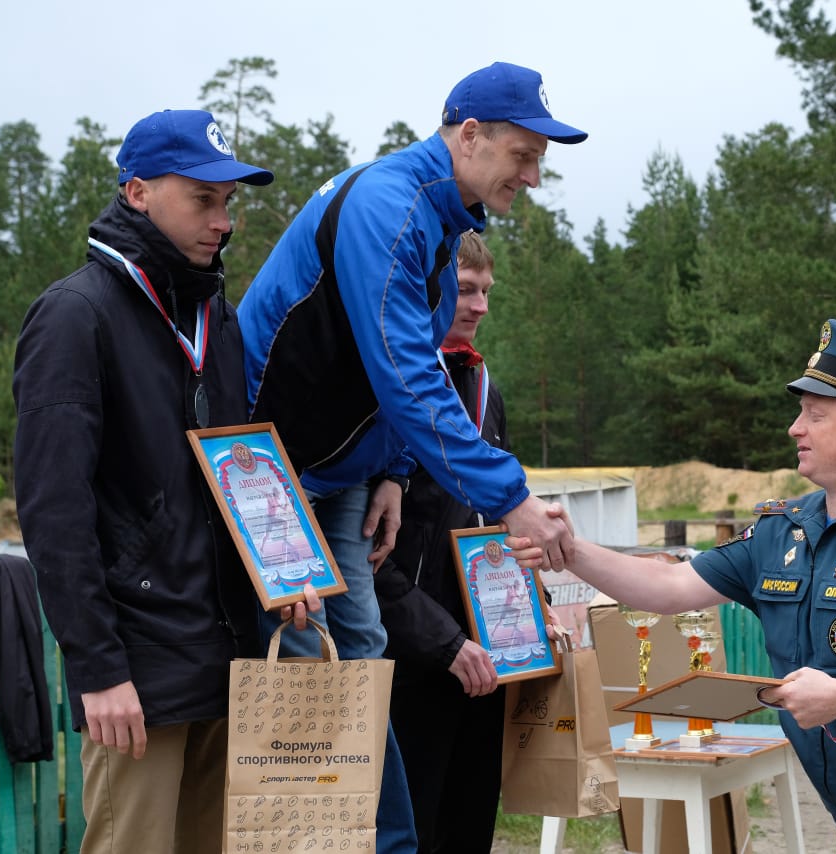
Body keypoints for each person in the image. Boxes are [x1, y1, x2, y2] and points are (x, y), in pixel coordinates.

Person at [238, 62, 587, 852]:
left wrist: (391, 474)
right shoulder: (390, 207)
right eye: (523, 155)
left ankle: (384, 842)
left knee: (359, 654)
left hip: (336, 475)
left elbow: (413, 361)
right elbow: (403, 373)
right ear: (469, 136)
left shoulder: (434, 217)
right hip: (267, 472)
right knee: (308, 659)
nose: (533, 176)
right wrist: (510, 497)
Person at [510, 319, 836, 852]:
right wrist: (568, 549)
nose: (794, 429)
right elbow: (667, 586)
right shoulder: (783, 529)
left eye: (815, 416)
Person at [12, 109, 314, 854]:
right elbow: (54, 512)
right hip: (138, 675)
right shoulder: (74, 316)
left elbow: (242, 474)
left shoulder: (221, 318)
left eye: (228, 202)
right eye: (203, 199)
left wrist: (284, 575)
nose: (224, 221)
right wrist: (99, 667)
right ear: (139, 191)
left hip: (227, 657)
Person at [373, 231, 507, 852]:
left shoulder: (486, 391)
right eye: (466, 288)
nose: (479, 304)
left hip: (486, 658)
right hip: (414, 657)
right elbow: (366, 555)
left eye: (486, 291)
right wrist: (443, 641)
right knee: (412, 830)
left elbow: (497, 528)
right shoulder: (390, 389)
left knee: (470, 822)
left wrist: (525, 616)